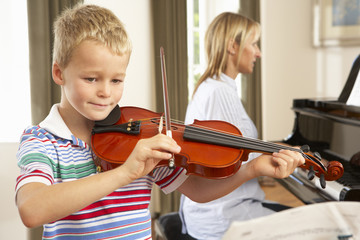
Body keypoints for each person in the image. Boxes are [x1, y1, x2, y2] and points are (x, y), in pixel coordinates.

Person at [15, 5, 305, 239]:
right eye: (91, 79)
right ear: (59, 73)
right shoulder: (42, 139)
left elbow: (196, 190)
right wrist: (124, 173)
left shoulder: (140, 137)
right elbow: (32, 209)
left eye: (116, 80)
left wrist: (251, 168)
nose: (106, 91)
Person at [180, 12, 294, 240]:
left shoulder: (215, 87)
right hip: (224, 216)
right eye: (254, 44)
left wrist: (275, 148)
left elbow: (231, 149)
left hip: (221, 208)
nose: (258, 53)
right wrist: (281, 154)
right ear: (233, 46)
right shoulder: (219, 93)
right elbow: (227, 161)